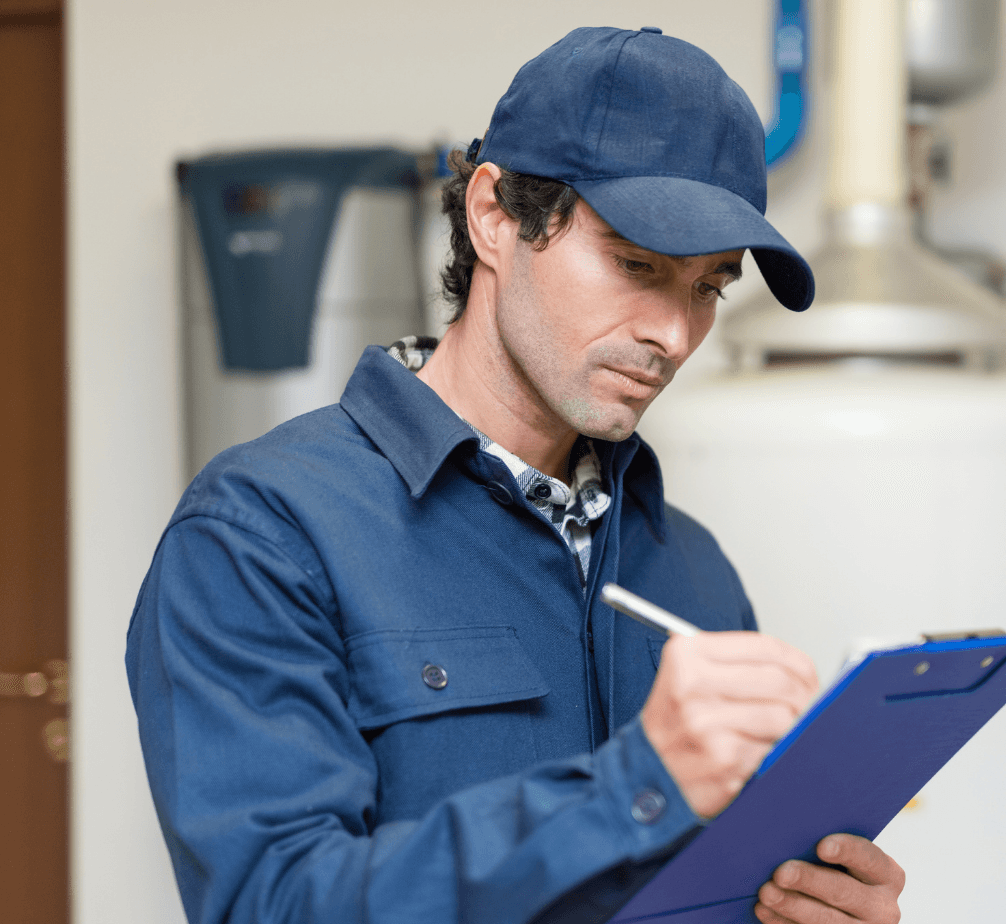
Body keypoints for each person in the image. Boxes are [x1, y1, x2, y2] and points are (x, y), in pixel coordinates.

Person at [126, 26, 905, 924]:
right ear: (494, 216)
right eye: (636, 265)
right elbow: (274, 905)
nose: (676, 335)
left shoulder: (692, 567)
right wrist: (630, 789)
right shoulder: (263, 535)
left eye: (708, 288)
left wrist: (803, 907)